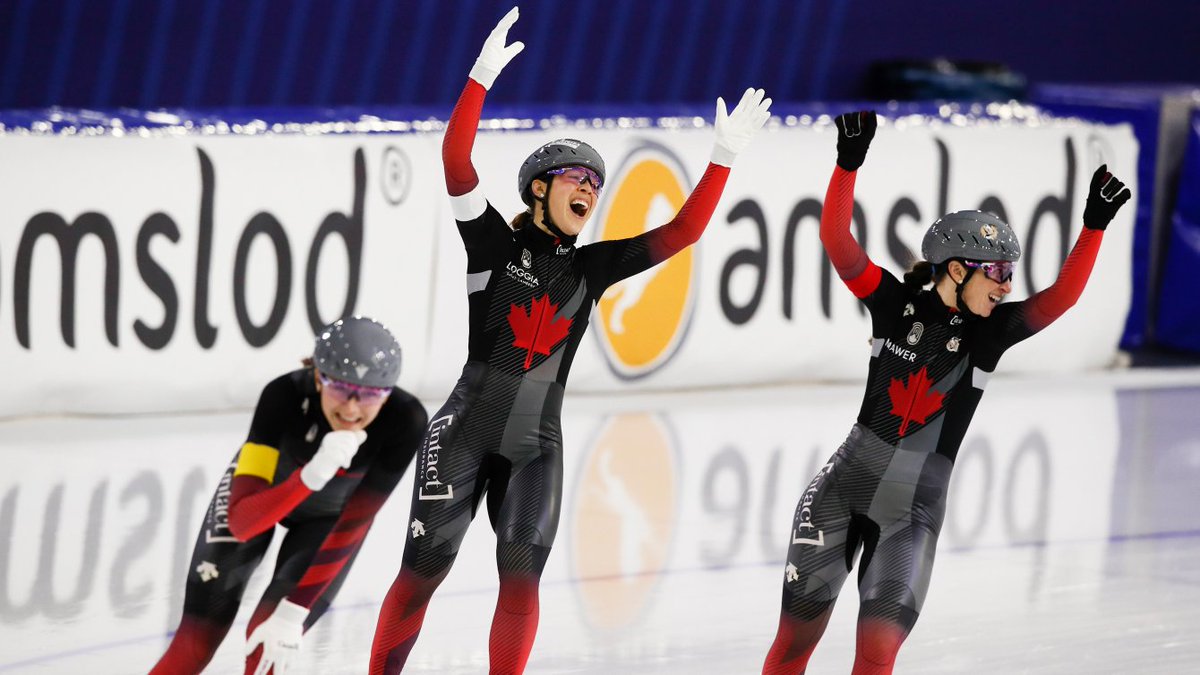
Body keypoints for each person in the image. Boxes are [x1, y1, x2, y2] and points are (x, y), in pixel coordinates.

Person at [367, 7, 772, 674]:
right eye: (575, 178)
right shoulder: (492, 243)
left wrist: (723, 158)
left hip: (535, 447)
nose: (589, 187)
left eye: (596, 183)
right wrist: (480, 77)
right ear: (537, 190)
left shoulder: (593, 268)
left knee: (521, 579)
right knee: (425, 568)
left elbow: (682, 233)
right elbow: (455, 159)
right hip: (464, 430)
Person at [761, 111, 1131, 675]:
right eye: (998, 273)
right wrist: (848, 164)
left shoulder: (991, 333)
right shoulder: (894, 305)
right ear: (956, 269)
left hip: (912, 512)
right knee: (793, 645)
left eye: (1010, 274)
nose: (1007, 286)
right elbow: (837, 241)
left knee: (878, 652)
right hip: (841, 490)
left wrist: (1093, 226)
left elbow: (1063, 298)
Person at [149, 317, 427, 675]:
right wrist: (308, 478)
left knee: (266, 645)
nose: (352, 409)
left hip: (329, 522)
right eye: (340, 388)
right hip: (261, 498)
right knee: (194, 644)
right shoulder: (282, 396)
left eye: (372, 394)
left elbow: (355, 522)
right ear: (317, 375)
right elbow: (242, 522)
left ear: (388, 393)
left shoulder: (406, 420)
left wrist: (295, 611)